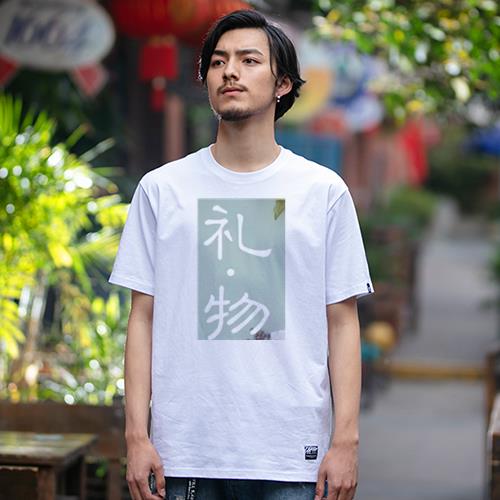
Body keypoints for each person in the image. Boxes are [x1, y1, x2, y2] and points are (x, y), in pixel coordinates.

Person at [109, 9, 374, 500]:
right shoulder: (162, 190)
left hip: (291, 457)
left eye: (249, 60)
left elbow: (342, 321)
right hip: (185, 454)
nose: (229, 71)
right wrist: (136, 436)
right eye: (218, 61)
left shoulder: (322, 192)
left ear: (282, 84)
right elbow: (142, 317)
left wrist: (346, 441)